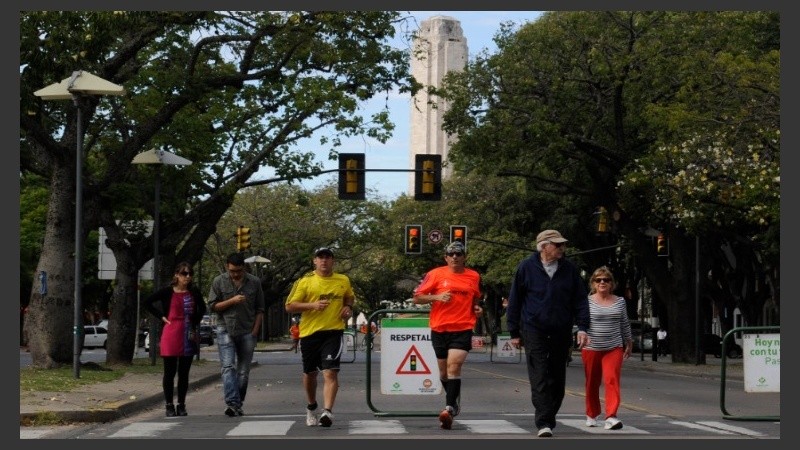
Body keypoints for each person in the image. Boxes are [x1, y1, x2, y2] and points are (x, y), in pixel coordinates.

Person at [506, 229, 590, 438]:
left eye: (562, 244)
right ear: (544, 246)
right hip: (534, 328)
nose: (562, 248)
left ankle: (548, 416)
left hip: (561, 329)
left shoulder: (569, 270)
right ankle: (543, 422)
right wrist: (513, 331)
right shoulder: (526, 267)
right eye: (557, 244)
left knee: (557, 378)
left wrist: (583, 327)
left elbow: (580, 301)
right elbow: (515, 300)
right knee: (540, 374)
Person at [412, 241, 483, 430]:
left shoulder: (473, 276)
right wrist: (436, 297)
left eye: (458, 254)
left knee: (454, 366)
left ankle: (449, 408)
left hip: (463, 327)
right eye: (451, 254)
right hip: (440, 328)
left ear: (464, 257)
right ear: (445, 257)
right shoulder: (435, 274)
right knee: (443, 372)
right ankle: (453, 399)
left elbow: (475, 297)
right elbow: (417, 298)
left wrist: (476, 307)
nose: (455, 257)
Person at [285, 247, 356, 428]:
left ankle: (327, 411)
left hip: (333, 332)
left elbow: (349, 298)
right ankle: (311, 406)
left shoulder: (343, 280)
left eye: (327, 257)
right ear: (314, 261)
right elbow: (290, 306)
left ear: (333, 261)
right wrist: (312, 305)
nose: (324, 261)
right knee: (310, 374)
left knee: (330, 371)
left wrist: (348, 308)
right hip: (310, 333)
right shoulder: (305, 281)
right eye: (320, 257)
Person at [143, 262, 207, 417]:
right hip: (171, 332)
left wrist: (194, 321)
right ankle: (169, 405)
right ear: (177, 275)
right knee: (169, 372)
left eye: (190, 274)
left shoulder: (194, 292)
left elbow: (202, 308)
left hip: (188, 334)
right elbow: (147, 302)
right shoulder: (167, 292)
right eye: (185, 274)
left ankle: (182, 404)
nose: (188, 277)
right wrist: (161, 317)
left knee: (184, 372)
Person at [208, 252, 266, 417]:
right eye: (233, 271)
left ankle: (237, 402)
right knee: (228, 367)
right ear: (228, 267)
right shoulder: (219, 281)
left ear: (244, 268)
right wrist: (231, 301)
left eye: (239, 271)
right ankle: (232, 402)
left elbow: (260, 309)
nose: (236, 274)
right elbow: (213, 306)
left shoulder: (254, 282)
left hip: (247, 330)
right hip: (225, 328)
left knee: (243, 371)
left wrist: (255, 330)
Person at [581, 266, 633, 430]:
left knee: (611, 379)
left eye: (606, 280)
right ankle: (592, 413)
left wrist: (629, 342)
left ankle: (611, 416)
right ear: (593, 283)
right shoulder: (586, 301)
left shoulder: (619, 301)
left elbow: (624, 322)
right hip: (591, 347)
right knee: (592, 382)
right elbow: (581, 322)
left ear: (612, 284)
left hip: (614, 347)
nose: (602, 282)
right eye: (598, 280)